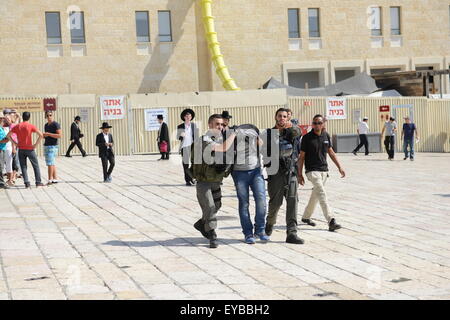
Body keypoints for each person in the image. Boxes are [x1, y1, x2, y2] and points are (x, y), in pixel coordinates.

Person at [192, 114, 237, 248]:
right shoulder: (204, 140)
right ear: (209, 124)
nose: (220, 127)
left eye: (223, 125)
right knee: (210, 208)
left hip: (215, 181)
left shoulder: (220, 139)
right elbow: (222, 148)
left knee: (217, 206)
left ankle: (201, 224)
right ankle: (212, 234)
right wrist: (233, 135)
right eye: (217, 124)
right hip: (203, 182)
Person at [263, 108, 304, 244]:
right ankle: (270, 223)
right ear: (275, 117)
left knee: (292, 201)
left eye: (284, 116)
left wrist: (292, 127)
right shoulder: (268, 133)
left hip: (290, 171)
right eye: (280, 116)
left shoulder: (291, 132)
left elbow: (299, 132)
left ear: (288, 118)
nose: (282, 118)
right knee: (275, 203)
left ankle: (292, 232)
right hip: (275, 173)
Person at [298, 114, 345, 232]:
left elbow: (331, 152)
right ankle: (331, 220)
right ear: (312, 124)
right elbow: (301, 157)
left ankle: (306, 217)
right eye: (315, 123)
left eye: (319, 123)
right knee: (322, 194)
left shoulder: (326, 136)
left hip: (324, 170)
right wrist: (300, 174)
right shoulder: (307, 138)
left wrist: (340, 167)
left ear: (323, 123)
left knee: (316, 195)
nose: (317, 125)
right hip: (312, 171)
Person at [231, 124, 269, 244]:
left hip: (256, 171)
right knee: (244, 203)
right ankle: (248, 233)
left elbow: (263, 146)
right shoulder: (234, 138)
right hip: (239, 173)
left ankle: (260, 230)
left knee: (261, 199)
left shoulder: (256, 138)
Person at [7, 112, 44, 188]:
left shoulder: (18, 126)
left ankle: (27, 183)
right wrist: (35, 145)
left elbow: (8, 135)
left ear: (22, 117)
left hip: (21, 149)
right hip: (30, 149)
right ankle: (38, 182)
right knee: (35, 165)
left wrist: (15, 143)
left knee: (23, 166)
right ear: (29, 117)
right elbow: (41, 135)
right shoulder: (30, 126)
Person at [177, 109, 197, 186]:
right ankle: (187, 180)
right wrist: (180, 135)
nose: (188, 117)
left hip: (192, 146)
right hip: (184, 147)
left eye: (190, 116)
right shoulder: (180, 126)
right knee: (185, 164)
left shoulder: (194, 125)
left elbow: (196, 137)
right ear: (184, 117)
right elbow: (177, 137)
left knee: (194, 163)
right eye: (187, 116)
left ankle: (192, 178)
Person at [43, 111, 62, 184]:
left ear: (52, 115)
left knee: (50, 163)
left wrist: (49, 134)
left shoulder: (55, 124)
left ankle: (50, 179)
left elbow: (59, 135)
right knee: (52, 163)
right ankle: (55, 178)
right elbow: (47, 135)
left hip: (53, 146)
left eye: (50, 115)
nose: (49, 117)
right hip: (47, 145)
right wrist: (45, 135)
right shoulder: (46, 125)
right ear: (45, 116)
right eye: (47, 116)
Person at [0, 115, 10, 189]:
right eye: (0, 118)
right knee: (0, 167)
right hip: (0, 149)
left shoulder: (1, 127)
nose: (2, 119)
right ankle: (1, 183)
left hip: (2, 148)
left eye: (2, 118)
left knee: (1, 166)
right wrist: (5, 140)